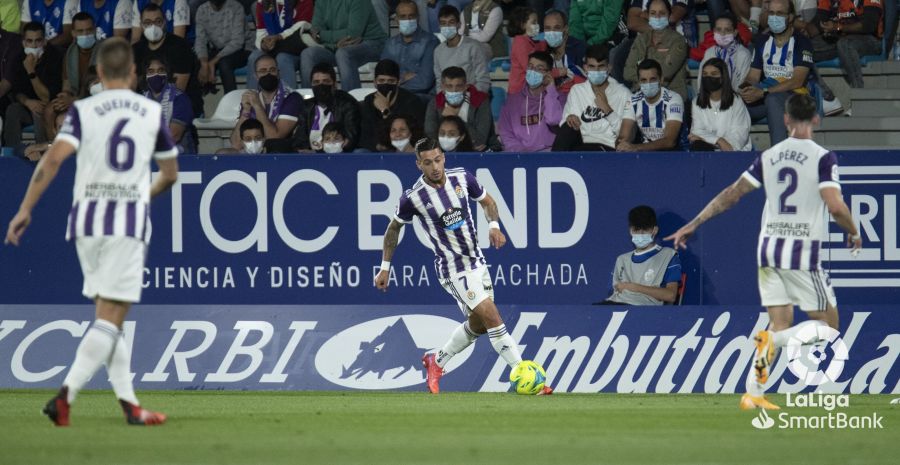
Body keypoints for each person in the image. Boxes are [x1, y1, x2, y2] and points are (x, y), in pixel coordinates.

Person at [5, 37, 176, 427]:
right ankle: (66, 395)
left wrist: (25, 209)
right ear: (133, 74)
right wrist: (141, 196)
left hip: (85, 223)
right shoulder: (149, 113)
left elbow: (51, 161)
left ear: (98, 73)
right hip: (125, 225)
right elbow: (169, 175)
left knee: (109, 315)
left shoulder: (82, 111)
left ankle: (129, 404)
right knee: (113, 316)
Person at [666, 93, 863, 410]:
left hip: (769, 251)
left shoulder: (770, 156)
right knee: (829, 327)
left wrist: (695, 222)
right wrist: (853, 231)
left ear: (785, 119)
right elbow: (835, 205)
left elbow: (732, 195)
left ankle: (754, 391)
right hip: (800, 252)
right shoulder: (822, 157)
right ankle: (775, 345)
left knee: (779, 323)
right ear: (815, 119)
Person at [374, 137, 552, 396]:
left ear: (443, 157)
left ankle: (437, 360)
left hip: (477, 262)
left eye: (437, 160)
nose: (434, 167)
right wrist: (385, 266)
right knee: (492, 316)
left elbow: (488, 201)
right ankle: (524, 376)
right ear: (418, 165)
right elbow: (393, 229)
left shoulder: (462, 178)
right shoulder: (413, 198)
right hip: (452, 269)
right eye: (427, 163)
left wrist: (493, 227)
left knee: (479, 325)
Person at [740, 0, 815, 146]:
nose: (774, 17)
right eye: (771, 13)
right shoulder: (762, 40)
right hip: (767, 93)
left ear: (791, 17)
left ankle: (779, 151)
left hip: (796, 97)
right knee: (731, 103)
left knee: (772, 100)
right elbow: (753, 76)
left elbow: (797, 80)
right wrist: (746, 88)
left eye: (780, 13)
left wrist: (764, 91)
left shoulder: (802, 42)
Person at [553, 43, 634, 152]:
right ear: (585, 68)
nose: (596, 71)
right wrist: (571, 119)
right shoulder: (577, 90)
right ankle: (555, 164)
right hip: (581, 144)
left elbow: (627, 137)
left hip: (608, 147)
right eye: (592, 67)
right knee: (567, 128)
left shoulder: (624, 93)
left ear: (609, 68)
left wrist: (608, 111)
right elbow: (566, 128)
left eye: (601, 66)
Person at [600, 205, 681, 305]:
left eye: (645, 230)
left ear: (654, 230)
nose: (640, 234)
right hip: (617, 306)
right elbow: (614, 292)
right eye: (636, 230)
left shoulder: (668, 255)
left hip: (645, 311)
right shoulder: (622, 259)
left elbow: (670, 296)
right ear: (630, 231)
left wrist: (634, 287)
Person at [133, 3, 203, 118]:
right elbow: (134, 86)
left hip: (180, 109)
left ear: (165, 22)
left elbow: (177, 90)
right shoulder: (136, 50)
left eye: (158, 22)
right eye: (147, 23)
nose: (153, 26)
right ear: (141, 25)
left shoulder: (180, 47)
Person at [299, 0, 387, 91]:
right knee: (308, 54)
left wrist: (322, 35)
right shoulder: (321, 1)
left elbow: (352, 34)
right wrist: (335, 45)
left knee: (344, 53)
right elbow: (315, 32)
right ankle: (308, 102)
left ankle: (350, 102)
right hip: (336, 47)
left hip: (371, 43)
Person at [6, 22, 63, 148]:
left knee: (39, 110)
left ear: (45, 42)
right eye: (29, 41)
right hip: (27, 106)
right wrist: (27, 102)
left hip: (49, 107)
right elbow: (16, 91)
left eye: (38, 41)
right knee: (13, 110)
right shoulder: (18, 57)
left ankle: (40, 154)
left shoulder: (55, 57)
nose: (33, 45)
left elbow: (47, 97)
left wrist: (31, 71)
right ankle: (12, 155)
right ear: (24, 43)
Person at [42, 12, 97, 140]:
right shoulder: (70, 52)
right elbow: (66, 84)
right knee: (50, 109)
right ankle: (53, 150)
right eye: (80, 31)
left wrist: (75, 100)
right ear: (73, 33)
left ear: (95, 30)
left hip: (95, 100)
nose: (85, 34)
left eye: (89, 30)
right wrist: (65, 96)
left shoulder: (105, 51)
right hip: (75, 98)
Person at [231, 54, 303, 149]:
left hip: (280, 154)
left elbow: (274, 139)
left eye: (272, 70)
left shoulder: (292, 98)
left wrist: (257, 106)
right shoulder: (252, 98)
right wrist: (246, 111)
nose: (268, 74)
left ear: (278, 73)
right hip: (254, 152)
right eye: (263, 71)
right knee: (223, 153)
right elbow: (236, 144)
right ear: (256, 76)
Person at [498, 51, 563, 152]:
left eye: (539, 69)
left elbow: (553, 120)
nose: (533, 71)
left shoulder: (559, 98)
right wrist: (521, 152)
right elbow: (506, 134)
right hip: (520, 155)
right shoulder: (512, 101)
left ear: (548, 74)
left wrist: (550, 89)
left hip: (549, 153)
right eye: (530, 66)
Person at [623, 0, 688, 102]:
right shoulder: (641, 39)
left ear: (669, 15)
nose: (657, 17)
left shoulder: (678, 41)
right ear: (648, 16)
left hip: (670, 97)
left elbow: (665, 74)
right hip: (641, 95)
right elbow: (627, 72)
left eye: (662, 13)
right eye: (653, 13)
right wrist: (650, 80)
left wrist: (643, 79)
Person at [809, 0, 882, 89]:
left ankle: (858, 90)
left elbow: (869, 25)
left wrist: (838, 27)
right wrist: (804, 31)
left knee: (845, 44)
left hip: (870, 40)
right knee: (805, 46)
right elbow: (819, 20)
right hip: (840, 38)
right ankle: (826, 94)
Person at [359, 59, 426, 152]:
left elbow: (416, 135)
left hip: (405, 149)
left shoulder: (412, 101)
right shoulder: (369, 101)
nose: (386, 84)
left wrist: (385, 110)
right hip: (377, 150)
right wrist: (378, 145)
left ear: (398, 82)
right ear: (374, 82)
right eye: (381, 80)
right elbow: (365, 135)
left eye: (391, 81)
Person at [245, 0, 314, 90]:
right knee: (254, 57)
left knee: (283, 58)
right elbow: (261, 31)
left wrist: (279, 37)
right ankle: (253, 99)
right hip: (273, 48)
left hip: (295, 49)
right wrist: (263, 43)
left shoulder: (304, 1)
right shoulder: (262, 2)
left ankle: (289, 100)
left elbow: (302, 25)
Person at [425, 66, 497, 152]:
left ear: (466, 87)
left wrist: (456, 117)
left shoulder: (480, 101)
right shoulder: (435, 103)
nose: (454, 90)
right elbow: (430, 135)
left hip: (480, 153)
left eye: (458, 86)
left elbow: (480, 141)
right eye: (449, 86)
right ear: (443, 87)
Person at [293, 62, 361, 151]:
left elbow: (351, 139)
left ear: (334, 84)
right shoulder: (307, 107)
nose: (321, 86)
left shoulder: (347, 104)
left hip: (340, 155)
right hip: (310, 159)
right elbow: (300, 139)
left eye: (326, 81)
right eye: (316, 82)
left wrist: (319, 153)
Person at [618, 58, 683, 151]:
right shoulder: (633, 100)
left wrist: (636, 147)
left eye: (652, 79)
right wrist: (623, 144)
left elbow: (670, 141)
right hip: (643, 154)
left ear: (661, 80)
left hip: (669, 154)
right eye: (643, 80)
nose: (648, 84)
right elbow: (624, 135)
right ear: (639, 82)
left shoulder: (673, 99)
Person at [380, 0, 439, 100]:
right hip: (393, 97)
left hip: (420, 97)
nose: (407, 19)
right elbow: (383, 76)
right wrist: (403, 78)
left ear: (418, 18)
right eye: (403, 17)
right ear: (396, 20)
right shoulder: (390, 43)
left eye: (411, 16)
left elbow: (424, 82)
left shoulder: (430, 42)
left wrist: (395, 82)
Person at [690, 58, 751, 151]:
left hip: (734, 152)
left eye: (714, 74)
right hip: (709, 151)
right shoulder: (696, 102)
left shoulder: (736, 101)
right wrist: (719, 141)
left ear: (723, 77)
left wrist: (712, 141)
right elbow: (697, 131)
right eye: (705, 74)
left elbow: (739, 134)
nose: (708, 77)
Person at [194, 0, 251, 94]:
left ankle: (231, 101)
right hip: (218, 50)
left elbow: (238, 42)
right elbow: (200, 40)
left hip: (243, 49)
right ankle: (197, 104)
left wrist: (213, 62)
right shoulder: (202, 10)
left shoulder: (236, 7)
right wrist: (204, 63)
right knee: (195, 63)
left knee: (224, 63)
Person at [142, 57, 196, 154]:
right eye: (151, 71)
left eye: (161, 70)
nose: (156, 75)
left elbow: (174, 136)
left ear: (168, 74)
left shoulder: (180, 99)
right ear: (145, 76)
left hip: (181, 157)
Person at [433, 5, 491, 93]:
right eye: (443, 23)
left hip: (472, 97)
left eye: (451, 22)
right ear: (439, 26)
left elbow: (483, 81)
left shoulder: (473, 47)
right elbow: (439, 83)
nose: (447, 26)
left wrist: (468, 98)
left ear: (459, 24)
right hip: (448, 99)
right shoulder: (438, 51)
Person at [697, 12, 752, 93]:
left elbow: (743, 83)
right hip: (710, 99)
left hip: (735, 99)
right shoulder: (709, 52)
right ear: (714, 31)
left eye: (727, 30)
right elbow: (701, 80)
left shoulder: (743, 54)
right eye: (718, 30)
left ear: (735, 32)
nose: (722, 34)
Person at [542, 8, 586, 105]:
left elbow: (587, 81)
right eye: (547, 28)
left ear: (565, 29)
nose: (552, 32)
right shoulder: (542, 52)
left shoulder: (579, 49)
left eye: (557, 28)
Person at [507, 6, 548, 95]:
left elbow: (541, 47)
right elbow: (532, 68)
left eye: (537, 22)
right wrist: (558, 72)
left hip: (528, 91)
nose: (537, 25)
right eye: (534, 22)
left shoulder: (532, 41)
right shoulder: (520, 42)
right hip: (518, 93)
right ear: (522, 25)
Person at [63, 0, 132, 40]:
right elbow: (77, 34)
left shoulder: (121, 1)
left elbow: (118, 41)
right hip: (88, 51)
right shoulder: (83, 2)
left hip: (111, 54)